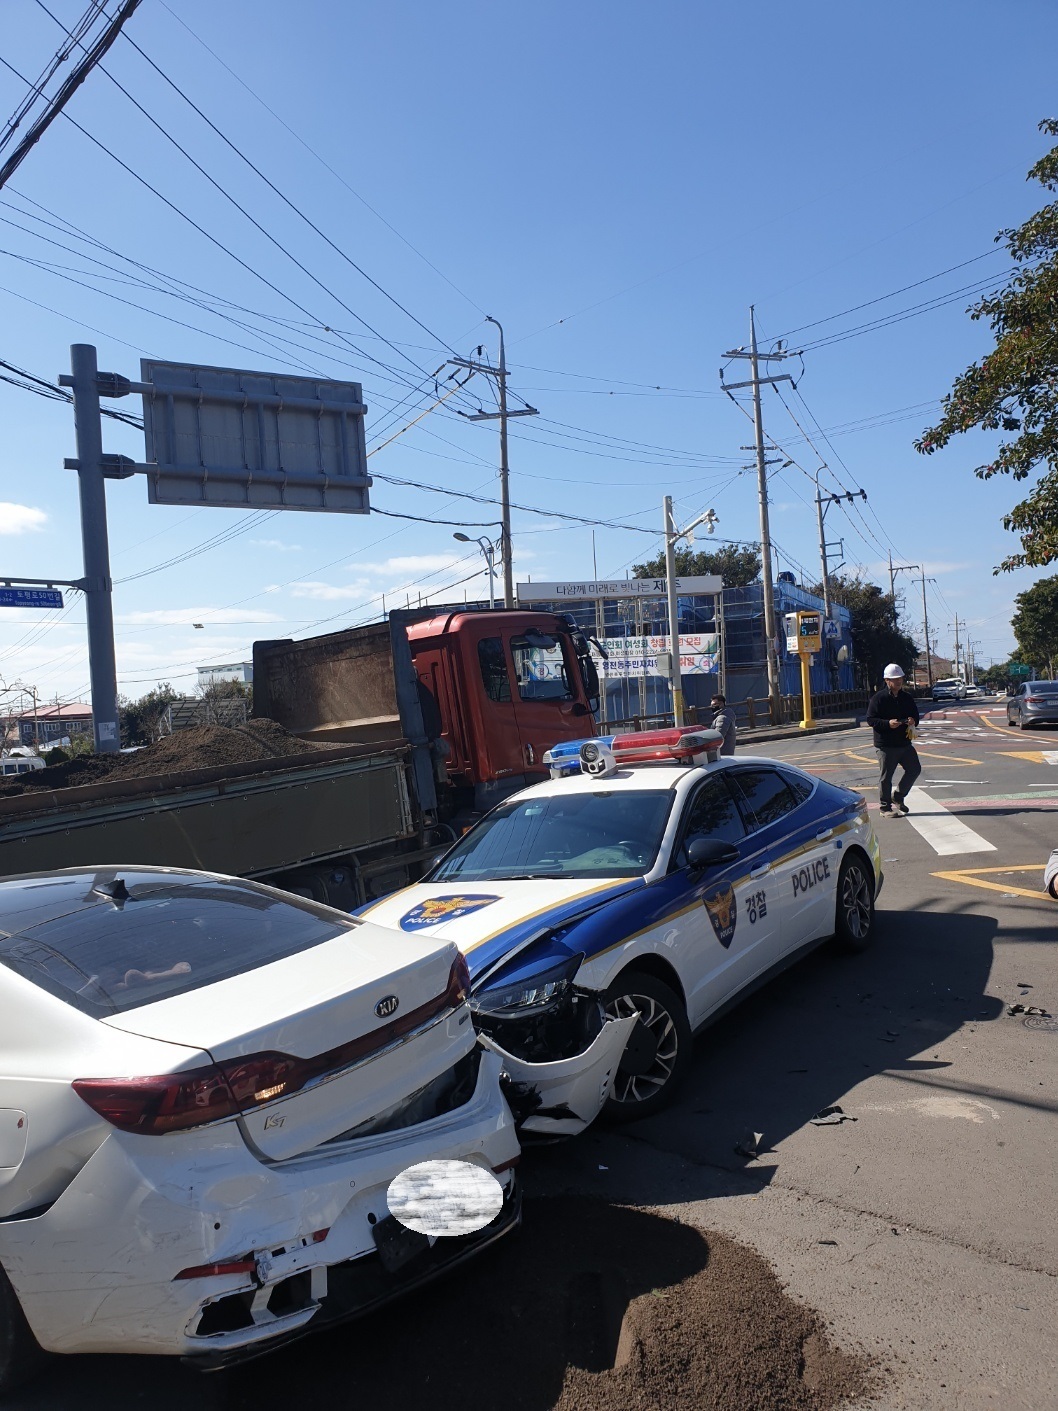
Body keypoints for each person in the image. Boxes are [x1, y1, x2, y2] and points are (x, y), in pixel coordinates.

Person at [866, 663, 921, 817]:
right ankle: (885, 808)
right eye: (895, 679)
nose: (898, 681)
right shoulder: (878, 698)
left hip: (904, 742)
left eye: (900, 678)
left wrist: (912, 720)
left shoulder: (906, 698)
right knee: (886, 777)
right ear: (887, 680)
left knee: (914, 769)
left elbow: (916, 716)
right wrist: (887, 723)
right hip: (886, 745)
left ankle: (898, 796)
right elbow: (871, 719)